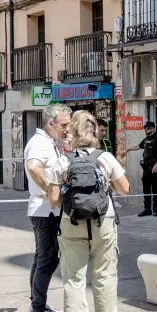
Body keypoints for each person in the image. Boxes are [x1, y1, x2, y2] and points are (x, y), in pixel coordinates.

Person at [47, 110, 130, 312]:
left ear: (72, 132)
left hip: (72, 222)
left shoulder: (63, 161)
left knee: (74, 279)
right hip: (103, 221)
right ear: (94, 133)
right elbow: (125, 189)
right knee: (105, 276)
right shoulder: (105, 158)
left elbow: (54, 200)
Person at [24, 103, 72, 312]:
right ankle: (38, 306)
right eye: (63, 125)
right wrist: (52, 192)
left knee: (42, 257)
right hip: (46, 210)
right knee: (48, 258)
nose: (67, 129)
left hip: (44, 209)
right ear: (50, 124)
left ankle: (37, 303)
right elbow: (34, 167)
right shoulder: (40, 143)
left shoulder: (47, 142)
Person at [124, 121, 157, 217]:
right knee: (146, 189)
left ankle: (155, 210)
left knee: (155, 189)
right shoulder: (146, 139)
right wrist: (127, 149)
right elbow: (138, 146)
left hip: (154, 167)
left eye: (147, 128)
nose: (145, 130)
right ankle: (147, 209)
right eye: (145, 128)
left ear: (152, 128)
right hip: (146, 168)